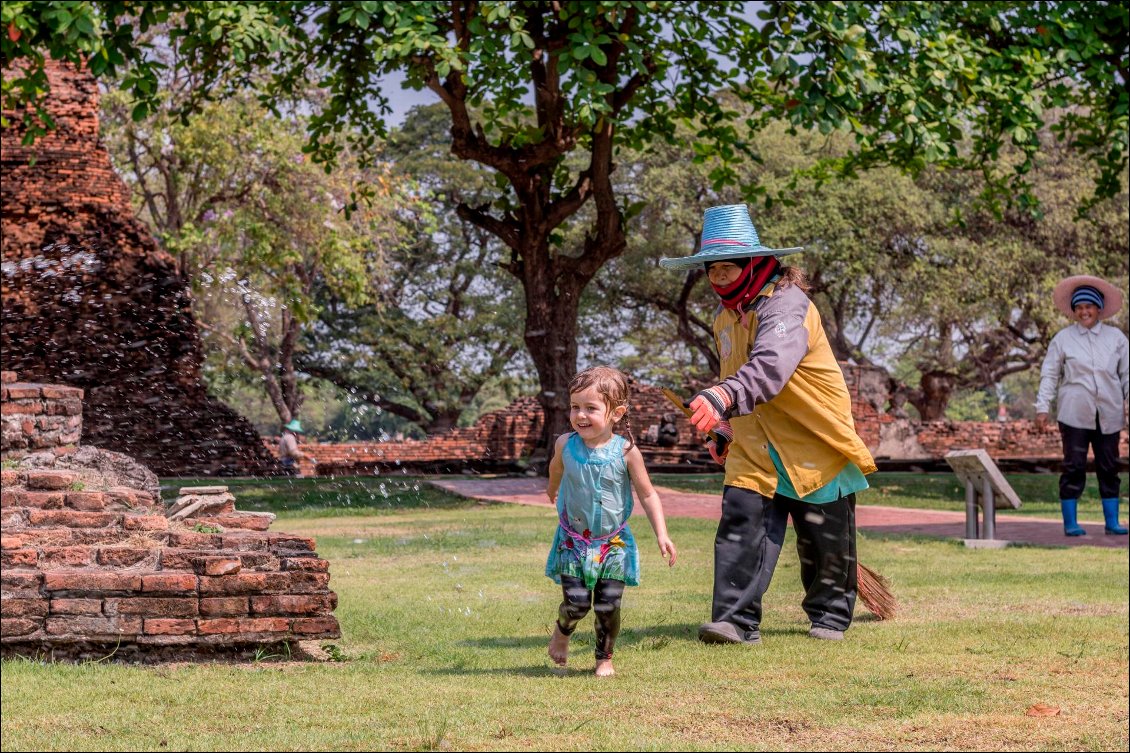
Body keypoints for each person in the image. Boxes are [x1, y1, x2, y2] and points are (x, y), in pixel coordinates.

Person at [659, 204, 877, 644]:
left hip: (813, 440)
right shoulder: (725, 318)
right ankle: (734, 621)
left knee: (824, 538)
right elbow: (734, 375)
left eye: (728, 267)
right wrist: (724, 428)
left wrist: (721, 396)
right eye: (711, 269)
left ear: (756, 264)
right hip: (755, 443)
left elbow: (770, 366)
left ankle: (830, 617)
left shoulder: (788, 306)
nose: (719, 277)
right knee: (741, 528)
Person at [545, 366, 678, 676]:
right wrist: (552, 490)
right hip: (573, 541)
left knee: (608, 606)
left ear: (617, 413)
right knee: (577, 603)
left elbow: (647, 495)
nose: (580, 415)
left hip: (613, 544)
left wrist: (662, 534)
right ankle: (562, 632)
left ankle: (604, 657)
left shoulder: (627, 452)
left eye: (591, 408)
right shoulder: (565, 444)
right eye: (575, 406)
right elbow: (556, 469)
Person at [1035, 275, 1129, 536]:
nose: (1084, 311)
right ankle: (1071, 523)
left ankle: (1112, 522)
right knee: (1073, 466)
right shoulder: (1063, 339)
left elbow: (1127, 374)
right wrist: (1042, 407)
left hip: (1108, 414)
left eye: (1089, 306)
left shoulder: (1116, 338)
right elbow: (1050, 374)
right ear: (1074, 311)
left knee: (1109, 467)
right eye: (1079, 307)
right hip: (1074, 414)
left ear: (1099, 309)